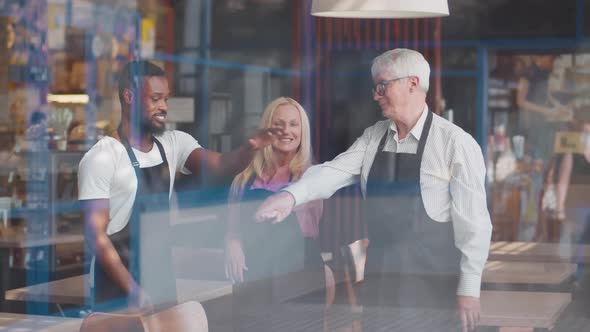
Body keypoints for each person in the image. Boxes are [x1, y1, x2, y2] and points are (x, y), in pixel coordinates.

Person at [255, 49, 492, 332]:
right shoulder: (374, 136)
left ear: (412, 84)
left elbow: (474, 226)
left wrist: (469, 290)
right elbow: (333, 171)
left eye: (382, 86)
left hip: (432, 288)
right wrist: (289, 196)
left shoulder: (456, 144)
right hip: (380, 282)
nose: (376, 95)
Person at [78, 60, 281, 312]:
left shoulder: (173, 144)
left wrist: (249, 148)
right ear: (129, 96)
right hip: (117, 286)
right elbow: (95, 236)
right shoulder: (103, 157)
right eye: (155, 98)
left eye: (166, 99)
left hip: (161, 279)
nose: (163, 106)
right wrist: (133, 291)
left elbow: (220, 166)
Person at [224, 97, 328, 331]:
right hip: (253, 275)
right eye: (279, 124)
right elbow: (232, 226)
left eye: (294, 124)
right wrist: (232, 243)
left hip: (297, 275)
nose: (286, 131)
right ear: (267, 129)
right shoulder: (244, 176)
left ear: (303, 131)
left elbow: (308, 227)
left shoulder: (313, 176)